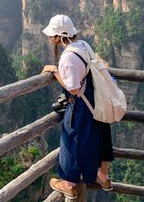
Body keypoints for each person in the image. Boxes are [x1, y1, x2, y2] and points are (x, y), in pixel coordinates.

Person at [42, 14, 114, 200]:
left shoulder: (68, 57)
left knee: (71, 142)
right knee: (100, 135)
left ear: (60, 36)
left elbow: (73, 89)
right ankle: (103, 177)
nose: (51, 39)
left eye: (52, 36)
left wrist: (55, 71)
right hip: (96, 100)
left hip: (82, 107)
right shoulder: (83, 45)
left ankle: (69, 185)